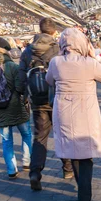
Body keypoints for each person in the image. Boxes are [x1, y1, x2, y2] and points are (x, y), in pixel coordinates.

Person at [45, 28, 101, 201]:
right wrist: (95, 57)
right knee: (86, 152)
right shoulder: (89, 63)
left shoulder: (56, 62)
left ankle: (80, 188)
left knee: (72, 150)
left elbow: (49, 80)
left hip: (64, 111)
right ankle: (85, 193)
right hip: (85, 111)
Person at [19, 17, 73, 191]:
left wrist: (24, 95)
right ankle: (67, 169)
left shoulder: (28, 51)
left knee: (40, 137)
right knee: (62, 133)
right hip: (56, 99)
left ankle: (35, 173)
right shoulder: (58, 49)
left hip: (37, 101)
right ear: (54, 32)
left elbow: (21, 77)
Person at [0, 38, 31, 178]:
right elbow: (19, 87)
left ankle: (12, 170)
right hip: (16, 106)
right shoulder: (11, 66)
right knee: (26, 134)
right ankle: (27, 162)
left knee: (6, 140)